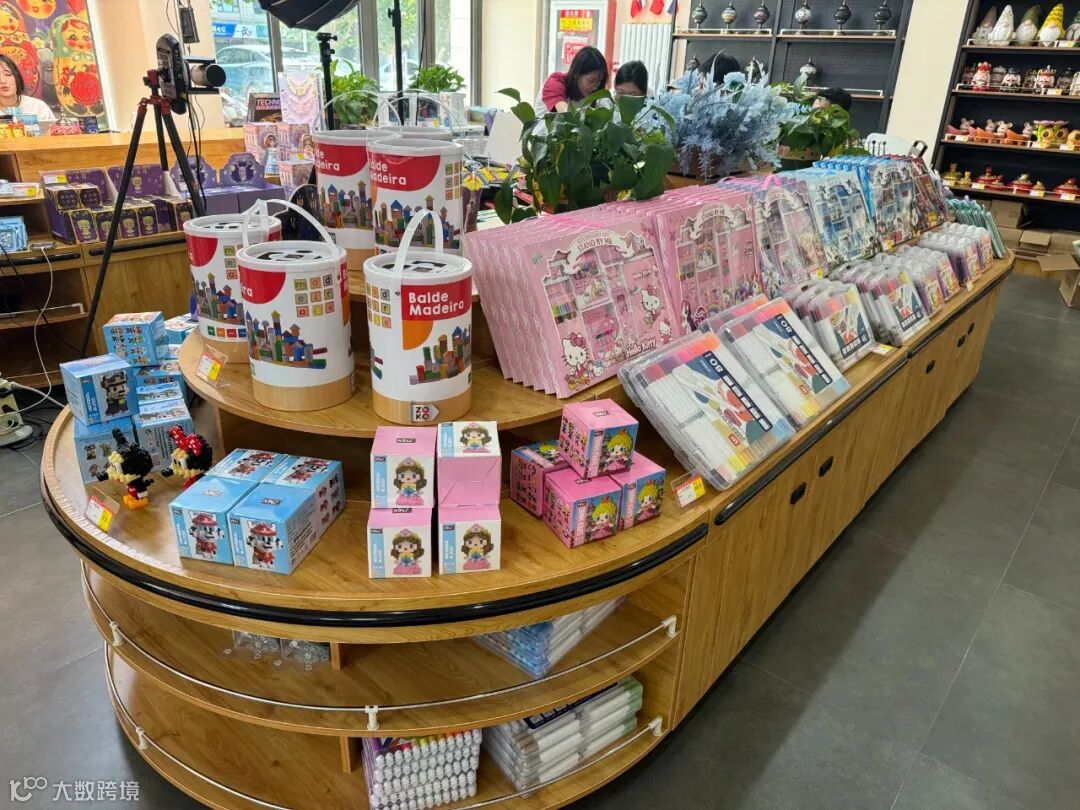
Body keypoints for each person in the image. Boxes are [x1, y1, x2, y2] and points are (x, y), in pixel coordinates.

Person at [538, 46, 609, 113]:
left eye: (599, 81)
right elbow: (566, 114)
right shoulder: (555, 82)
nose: (595, 87)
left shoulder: (595, 96)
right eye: (591, 81)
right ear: (576, 75)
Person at [0, 54, 55, 132]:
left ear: (17, 77)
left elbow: (52, 134)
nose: (3, 81)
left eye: (7, 74)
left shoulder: (37, 107)